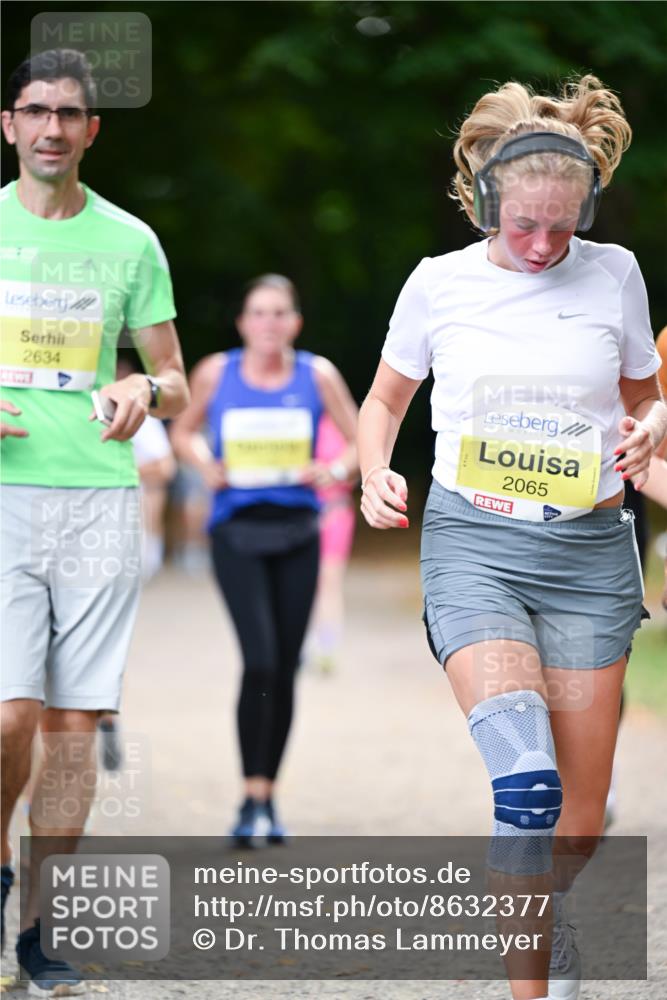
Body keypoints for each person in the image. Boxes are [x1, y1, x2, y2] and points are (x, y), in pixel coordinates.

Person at [357, 75, 665, 1000]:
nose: (540, 246)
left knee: (574, 821)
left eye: (560, 228)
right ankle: (533, 982)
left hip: (589, 557)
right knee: (525, 783)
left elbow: (644, 398)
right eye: (524, 225)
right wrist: (373, 469)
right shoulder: (438, 284)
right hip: (475, 549)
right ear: (484, 199)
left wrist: (650, 429)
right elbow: (384, 402)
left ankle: (544, 905)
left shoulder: (612, 274)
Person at [0, 49, 188, 994]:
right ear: (9, 125)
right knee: (10, 716)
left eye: (68, 114)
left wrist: (142, 387)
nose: (52, 129)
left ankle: (39, 931)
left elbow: (175, 379)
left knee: (73, 726)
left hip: (102, 502)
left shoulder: (130, 241)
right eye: (36, 111)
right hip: (5, 497)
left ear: (91, 131)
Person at [171, 274, 358, 846]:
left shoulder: (317, 374)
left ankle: (265, 797)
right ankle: (249, 797)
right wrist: (204, 463)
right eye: (258, 312)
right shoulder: (215, 372)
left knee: (284, 666)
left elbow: (361, 441)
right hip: (237, 532)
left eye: (279, 313)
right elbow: (183, 431)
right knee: (259, 660)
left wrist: (333, 470)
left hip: (299, 532)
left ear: (295, 322)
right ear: (242, 322)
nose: (269, 323)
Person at [305, 413, 357, 673]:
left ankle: (327, 646)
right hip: (301, 514)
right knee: (302, 581)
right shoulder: (301, 419)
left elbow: (356, 470)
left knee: (329, 580)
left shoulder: (342, 425)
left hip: (334, 512)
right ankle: (301, 645)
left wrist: (334, 473)